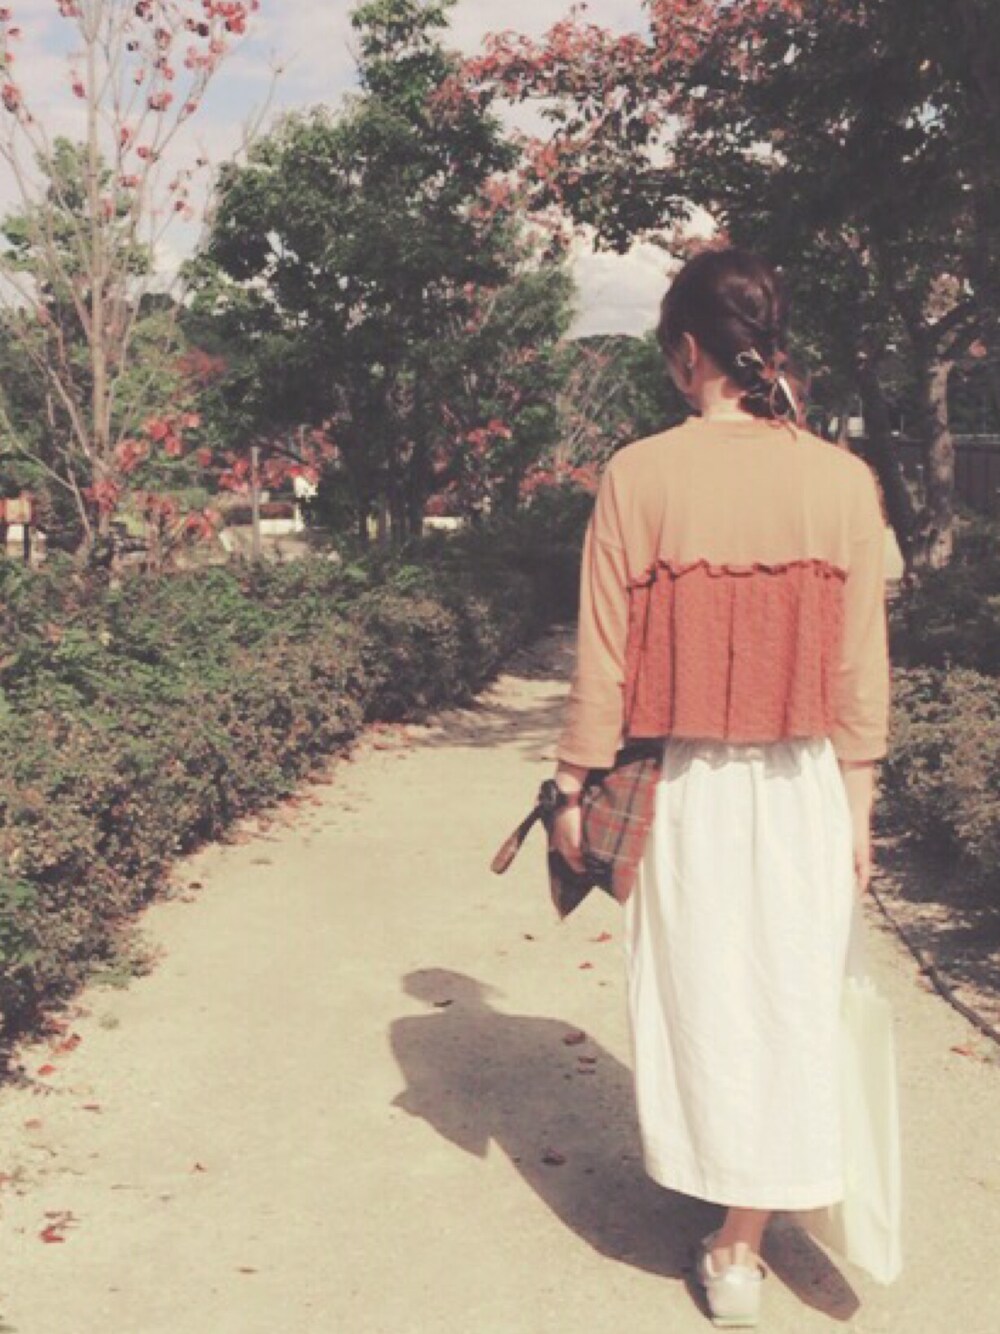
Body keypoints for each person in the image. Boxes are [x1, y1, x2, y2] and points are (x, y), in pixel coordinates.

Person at [547, 248, 891, 1327]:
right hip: (802, 786)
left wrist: (570, 784)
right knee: (789, 998)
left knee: (703, 998)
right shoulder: (842, 481)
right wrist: (858, 809)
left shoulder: (639, 474)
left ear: (686, 352)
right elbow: (862, 668)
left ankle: (735, 1236)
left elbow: (603, 653)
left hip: (687, 787)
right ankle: (747, 1222)